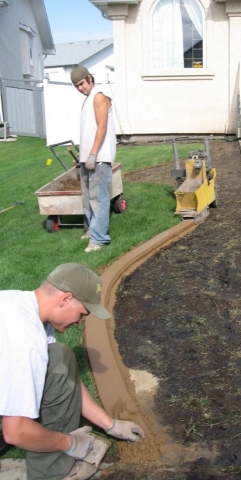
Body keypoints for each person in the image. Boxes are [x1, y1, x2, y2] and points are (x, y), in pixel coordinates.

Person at [0, 263, 145, 480]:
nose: (79, 322)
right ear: (66, 299)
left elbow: (64, 380)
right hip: (13, 428)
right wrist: (69, 443)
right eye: (81, 314)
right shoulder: (25, 342)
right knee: (59, 359)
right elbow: (16, 432)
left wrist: (111, 425)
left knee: (58, 357)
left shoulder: (18, 303)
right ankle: (53, 473)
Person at [70, 66, 116, 253]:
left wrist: (94, 154)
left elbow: (102, 127)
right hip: (88, 157)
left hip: (100, 158)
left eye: (81, 83)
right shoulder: (89, 98)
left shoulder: (99, 95)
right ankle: (92, 230)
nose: (80, 88)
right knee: (88, 197)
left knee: (99, 198)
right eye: (76, 86)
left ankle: (99, 239)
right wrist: (83, 156)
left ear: (89, 78)